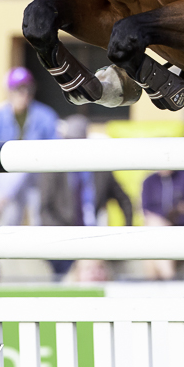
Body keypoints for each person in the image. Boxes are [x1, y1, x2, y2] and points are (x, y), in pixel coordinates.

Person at [40, 115, 132, 278]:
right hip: (63, 239)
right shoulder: (53, 169)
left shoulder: (100, 169)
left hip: (93, 238)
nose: (72, 146)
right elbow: (45, 209)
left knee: (95, 271)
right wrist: (65, 238)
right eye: (69, 140)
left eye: (76, 140)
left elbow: (124, 200)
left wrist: (126, 234)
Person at [0, 67, 60, 225]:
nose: (24, 93)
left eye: (27, 88)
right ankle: (4, 200)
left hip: (34, 176)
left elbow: (55, 150)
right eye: (18, 89)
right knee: (19, 168)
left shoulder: (46, 116)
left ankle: (2, 201)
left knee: (25, 164)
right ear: (9, 91)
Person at [141, 169, 184, 279]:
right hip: (157, 231)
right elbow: (147, 211)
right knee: (154, 226)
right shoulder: (149, 182)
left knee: (151, 250)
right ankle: (169, 278)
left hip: (181, 233)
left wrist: (167, 221)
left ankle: (156, 288)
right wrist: (174, 213)